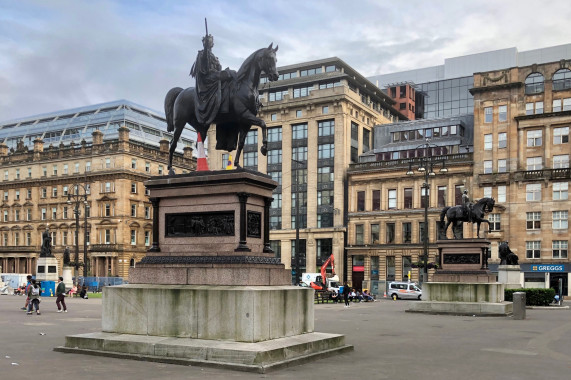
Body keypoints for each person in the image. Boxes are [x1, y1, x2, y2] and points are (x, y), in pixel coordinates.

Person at [190, 31, 233, 126]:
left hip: (214, 75)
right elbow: (203, 66)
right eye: (208, 41)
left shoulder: (214, 56)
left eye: (211, 41)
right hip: (208, 78)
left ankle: (225, 103)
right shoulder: (202, 54)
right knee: (230, 73)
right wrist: (205, 48)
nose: (210, 42)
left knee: (229, 76)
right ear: (205, 43)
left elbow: (218, 68)